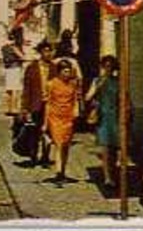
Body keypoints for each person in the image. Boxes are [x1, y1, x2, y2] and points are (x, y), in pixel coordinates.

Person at [86, 55, 125, 190]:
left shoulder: (118, 81)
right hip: (103, 117)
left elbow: (124, 98)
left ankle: (113, 173)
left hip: (115, 116)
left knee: (114, 149)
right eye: (106, 66)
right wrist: (98, 87)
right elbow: (87, 97)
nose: (108, 69)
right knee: (105, 148)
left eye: (110, 66)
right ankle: (107, 177)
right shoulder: (97, 81)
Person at [44, 57, 82, 183]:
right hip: (55, 116)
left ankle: (63, 170)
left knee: (66, 145)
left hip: (68, 117)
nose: (67, 74)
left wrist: (76, 110)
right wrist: (45, 122)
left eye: (69, 71)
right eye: (65, 71)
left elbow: (76, 98)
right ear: (59, 72)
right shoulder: (51, 84)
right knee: (59, 144)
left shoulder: (73, 83)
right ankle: (58, 172)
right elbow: (48, 103)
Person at [0, 28, 28, 116]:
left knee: (9, 90)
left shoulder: (4, 47)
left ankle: (8, 108)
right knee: (16, 89)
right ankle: (14, 108)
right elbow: (22, 57)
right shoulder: (13, 47)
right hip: (15, 68)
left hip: (7, 68)